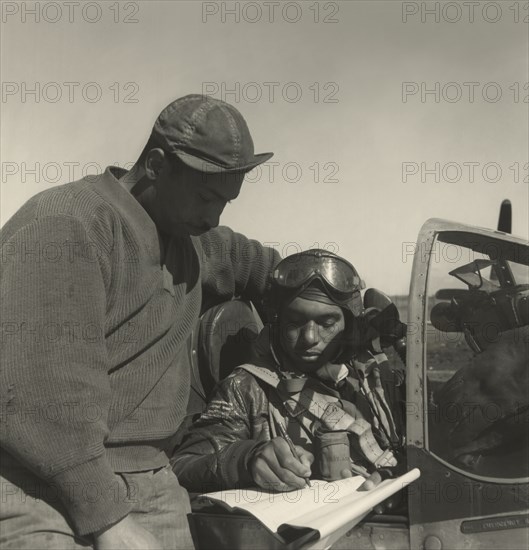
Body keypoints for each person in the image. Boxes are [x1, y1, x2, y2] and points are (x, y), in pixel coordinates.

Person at [0, 95, 280, 550]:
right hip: (38, 479)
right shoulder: (67, 226)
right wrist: (108, 521)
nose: (213, 217)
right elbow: (40, 397)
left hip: (149, 477)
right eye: (207, 196)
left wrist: (341, 295)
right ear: (155, 164)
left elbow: (257, 264)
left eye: (226, 202)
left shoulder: (187, 237)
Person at [172, 249, 405, 495]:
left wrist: (397, 471)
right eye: (295, 321)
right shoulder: (246, 389)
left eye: (327, 323)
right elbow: (182, 465)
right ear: (277, 321)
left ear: (349, 327)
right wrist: (246, 459)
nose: (310, 337)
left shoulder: (368, 375)